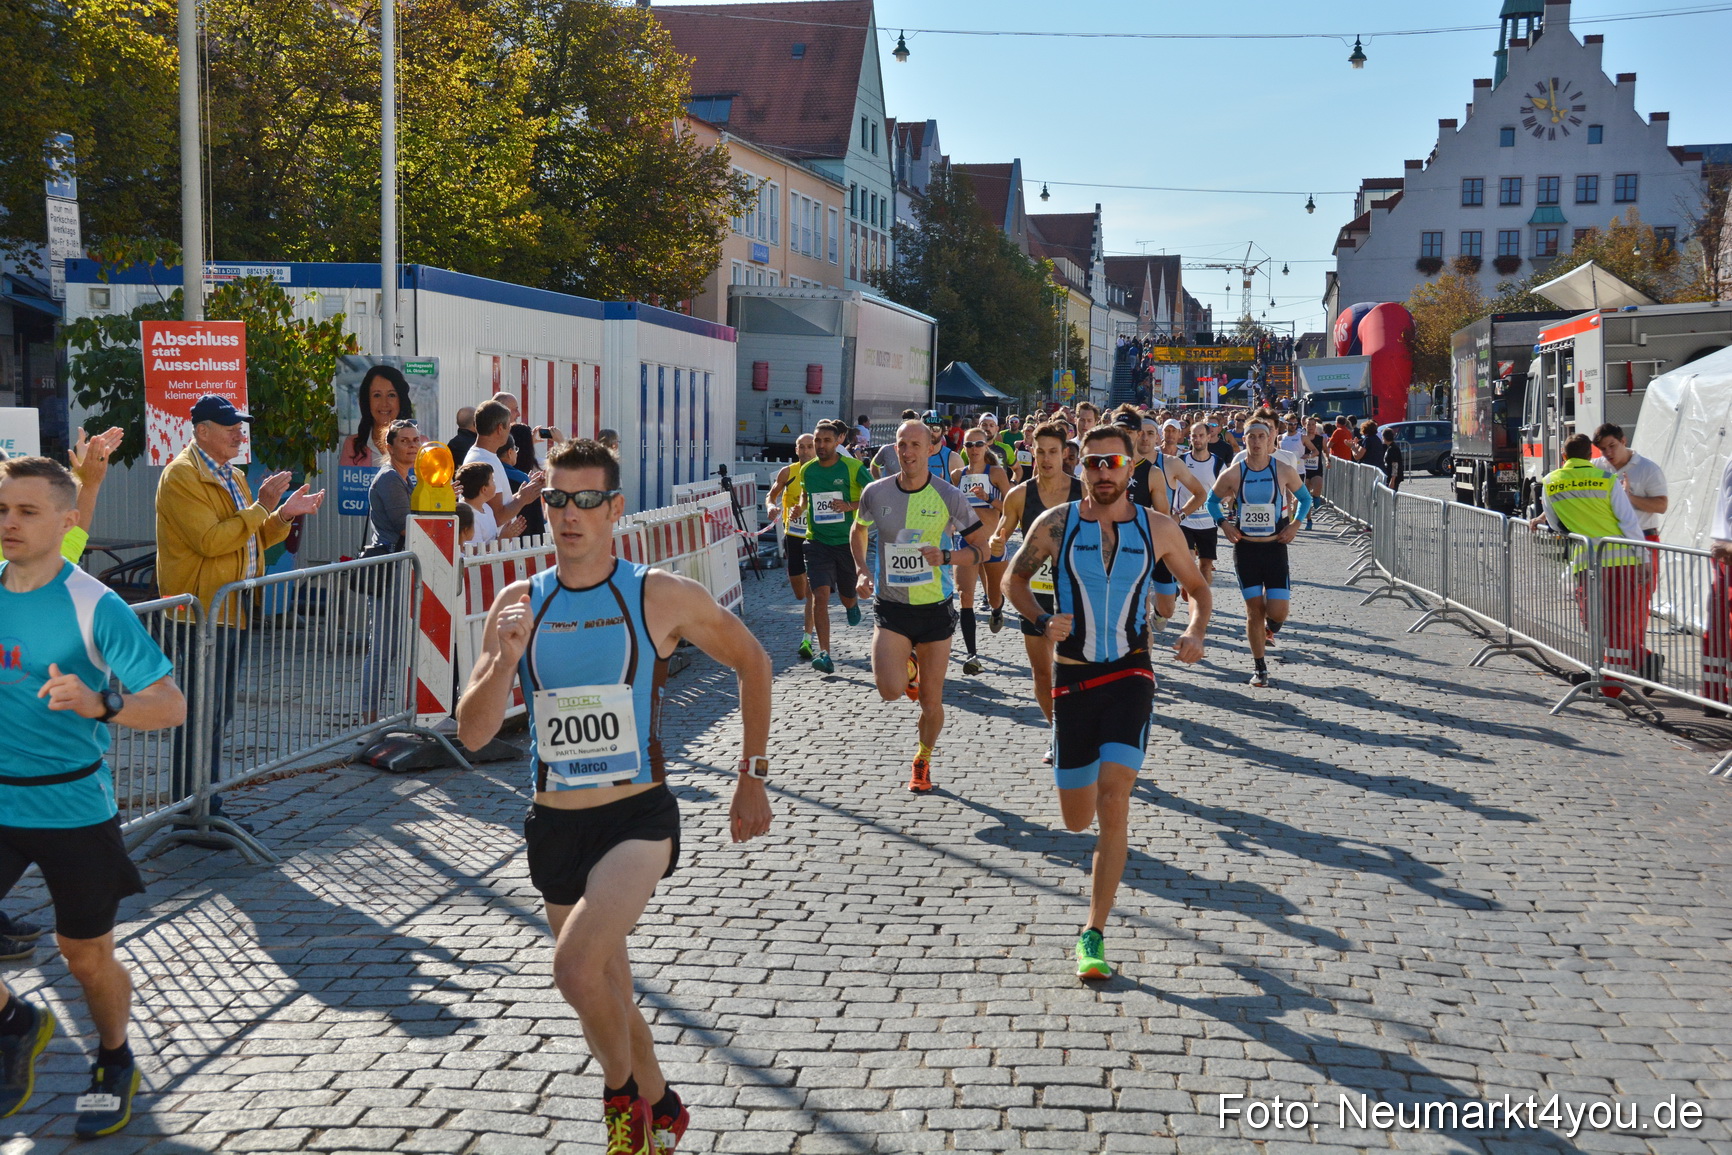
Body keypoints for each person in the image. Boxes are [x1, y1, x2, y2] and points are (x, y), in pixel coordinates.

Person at [455, 439, 773, 1155]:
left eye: (586, 500)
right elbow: (472, 733)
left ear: (615, 509)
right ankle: (664, 1106)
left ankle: (622, 1104)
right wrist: (506, 661)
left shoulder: (657, 594)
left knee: (574, 969)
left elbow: (753, 659)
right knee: (608, 991)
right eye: (557, 499)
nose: (569, 514)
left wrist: (751, 773)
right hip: (554, 826)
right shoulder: (517, 603)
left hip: (636, 820)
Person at [0, 454, 188, 1137]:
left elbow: (170, 705)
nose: (9, 522)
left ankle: (114, 1057)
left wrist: (102, 702)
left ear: (66, 520)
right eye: (1, 509)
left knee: (83, 955)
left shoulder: (95, 604)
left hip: (72, 808)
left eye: (27, 511)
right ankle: (16, 1021)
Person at [1005, 425, 1210, 980]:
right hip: (1072, 680)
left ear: (1129, 467)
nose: (1101, 472)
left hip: (1130, 674)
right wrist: (1041, 619)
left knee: (1114, 800)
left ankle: (1093, 932)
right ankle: (1067, 749)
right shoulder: (1056, 524)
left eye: (1111, 463)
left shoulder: (1158, 528)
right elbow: (1012, 582)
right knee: (1076, 820)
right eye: (1092, 463)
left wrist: (1195, 630)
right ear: (1081, 467)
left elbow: (1198, 589)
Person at [156, 395, 324, 823]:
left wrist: (282, 515)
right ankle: (192, 809)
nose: (238, 433)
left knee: (217, 712)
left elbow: (251, 537)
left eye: (239, 425)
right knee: (200, 714)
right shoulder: (181, 475)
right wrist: (262, 507)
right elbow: (210, 541)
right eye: (229, 426)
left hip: (233, 606)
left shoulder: (233, 475)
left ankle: (204, 803)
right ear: (202, 431)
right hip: (201, 612)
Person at [851, 419, 992, 792]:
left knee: (931, 701)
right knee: (889, 690)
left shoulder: (949, 495)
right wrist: (862, 569)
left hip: (934, 610)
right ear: (894, 449)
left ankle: (923, 759)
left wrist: (946, 556)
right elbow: (858, 528)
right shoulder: (876, 492)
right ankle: (907, 669)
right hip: (892, 607)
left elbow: (982, 548)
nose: (908, 452)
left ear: (932, 448)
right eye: (902, 444)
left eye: (915, 444)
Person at [989, 421, 1081, 763]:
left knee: (1077, 670)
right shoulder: (1019, 495)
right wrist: (997, 541)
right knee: (1043, 672)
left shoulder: (1083, 491)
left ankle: (1084, 730)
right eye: (1040, 451)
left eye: (1053, 452)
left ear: (1065, 453)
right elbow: (1002, 531)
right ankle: (1058, 733)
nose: (1046, 459)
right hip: (1034, 593)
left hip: (1076, 593)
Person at [1538, 433, 1649, 696]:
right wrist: (1643, 558)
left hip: (1587, 562)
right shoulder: (1607, 479)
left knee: (1596, 624)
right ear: (1591, 455)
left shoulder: (1550, 482)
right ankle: (1612, 684)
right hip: (1622, 561)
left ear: (1564, 455)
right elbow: (1628, 522)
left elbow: (1555, 524)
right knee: (1620, 623)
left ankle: (1605, 679)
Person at [1207, 416, 1312, 688]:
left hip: (1275, 548)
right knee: (1254, 610)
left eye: (1261, 436)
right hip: (1246, 551)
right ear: (1244, 440)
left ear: (1270, 439)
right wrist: (1224, 525)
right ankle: (1260, 668)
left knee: (1278, 612)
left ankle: (1271, 628)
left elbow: (1305, 499)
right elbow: (1211, 502)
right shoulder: (1234, 473)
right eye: (1251, 436)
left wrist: (1295, 525)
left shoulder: (1282, 470)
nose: (1256, 442)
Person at [796, 422, 869, 674]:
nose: (821, 445)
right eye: (818, 440)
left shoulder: (853, 467)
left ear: (838, 441)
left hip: (847, 542)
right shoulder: (807, 470)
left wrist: (850, 506)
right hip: (817, 542)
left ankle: (851, 605)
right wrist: (800, 507)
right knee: (820, 596)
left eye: (826, 440)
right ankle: (824, 654)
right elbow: (805, 496)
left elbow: (873, 494)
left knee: (847, 596)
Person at [360, 419, 422, 714]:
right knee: (384, 647)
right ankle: (369, 715)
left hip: (400, 565)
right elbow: (406, 527)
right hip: (391, 568)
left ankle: (376, 714)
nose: (412, 446)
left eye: (415, 440)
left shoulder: (407, 478)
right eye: (405, 441)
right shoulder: (389, 479)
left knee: (393, 646)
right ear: (389, 446)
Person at [949, 427, 1011, 675]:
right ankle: (972, 655)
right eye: (969, 445)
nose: (973, 449)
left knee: (994, 597)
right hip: (966, 544)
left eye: (978, 444)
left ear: (986, 446)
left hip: (992, 543)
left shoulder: (996, 472)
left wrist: (988, 498)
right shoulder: (957, 475)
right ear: (963, 448)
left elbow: (1011, 506)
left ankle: (997, 609)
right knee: (965, 596)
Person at [765, 434, 817, 659]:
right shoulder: (787, 472)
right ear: (796, 450)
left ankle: (807, 638)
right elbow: (771, 496)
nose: (805, 451)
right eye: (801, 447)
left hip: (816, 537)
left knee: (813, 590)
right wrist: (771, 507)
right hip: (794, 536)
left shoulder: (824, 471)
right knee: (799, 593)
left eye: (810, 447)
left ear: (816, 448)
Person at [464, 400, 544, 532]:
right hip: (494, 543)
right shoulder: (485, 460)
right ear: (500, 428)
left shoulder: (484, 455)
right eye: (508, 428)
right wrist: (522, 498)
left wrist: (524, 492)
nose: (509, 433)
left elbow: (496, 507)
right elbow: (497, 517)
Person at [1178, 422, 1224, 588]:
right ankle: (1192, 592)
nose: (1197, 439)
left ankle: (1202, 598)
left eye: (1201, 435)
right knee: (1189, 562)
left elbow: (1227, 489)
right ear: (1189, 437)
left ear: (1208, 437)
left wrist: (1224, 498)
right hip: (1185, 520)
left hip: (1208, 522)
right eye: (1194, 436)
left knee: (1205, 566)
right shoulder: (1181, 461)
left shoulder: (1218, 463)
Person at [340, 365, 413, 468]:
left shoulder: (419, 445)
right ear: (368, 401)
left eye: (391, 395)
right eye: (377, 395)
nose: (384, 404)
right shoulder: (352, 445)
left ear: (400, 400)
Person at [1706, 454, 1732, 710]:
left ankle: (1714, 698)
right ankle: (1716, 698)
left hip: (1726, 552)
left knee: (1718, 631)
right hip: (1728, 555)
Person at [457, 462, 525, 544]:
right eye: (492, 480)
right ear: (484, 489)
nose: (495, 483)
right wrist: (502, 540)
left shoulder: (486, 508)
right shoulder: (468, 516)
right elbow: (473, 550)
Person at [1380, 428, 1405, 492]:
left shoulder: (1393, 449)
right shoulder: (1389, 447)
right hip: (1390, 475)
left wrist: (1392, 480)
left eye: (1382, 436)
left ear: (1385, 437)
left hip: (1393, 477)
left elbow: (1395, 464)